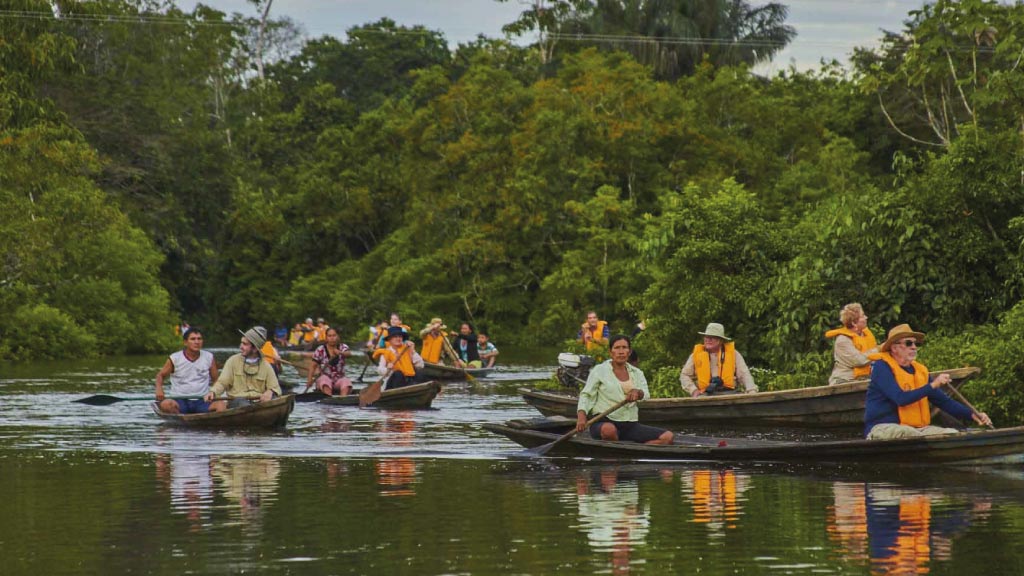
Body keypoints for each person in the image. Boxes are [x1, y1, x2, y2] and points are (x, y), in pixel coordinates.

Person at [863, 324, 991, 439]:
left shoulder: (920, 371)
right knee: (910, 434)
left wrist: (972, 414)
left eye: (915, 344)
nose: (914, 347)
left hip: (916, 429)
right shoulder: (882, 367)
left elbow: (943, 401)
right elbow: (900, 398)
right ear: (894, 348)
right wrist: (933, 384)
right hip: (882, 428)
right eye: (909, 343)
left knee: (951, 433)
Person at [575, 335, 673, 445]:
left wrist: (638, 392)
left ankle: (635, 452)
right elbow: (586, 395)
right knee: (609, 431)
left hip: (629, 424)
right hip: (604, 421)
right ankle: (618, 452)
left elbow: (645, 394)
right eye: (617, 348)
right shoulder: (599, 370)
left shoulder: (637, 373)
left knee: (667, 437)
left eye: (624, 347)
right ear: (610, 352)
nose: (621, 352)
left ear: (629, 352)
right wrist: (582, 416)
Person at [205, 326, 283, 408]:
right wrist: (213, 392)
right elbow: (222, 383)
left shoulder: (266, 366)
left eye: (245, 344)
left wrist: (270, 392)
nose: (240, 347)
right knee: (242, 403)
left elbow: (276, 388)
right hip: (236, 403)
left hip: (259, 404)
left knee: (274, 400)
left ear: (255, 349)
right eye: (241, 343)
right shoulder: (232, 361)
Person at [154, 327, 225, 414]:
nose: (197, 342)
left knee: (221, 405)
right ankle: (180, 421)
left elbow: (216, 380)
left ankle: (213, 424)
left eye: (199, 339)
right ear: (185, 342)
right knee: (166, 404)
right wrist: (159, 389)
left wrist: (214, 394)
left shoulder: (209, 357)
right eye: (193, 339)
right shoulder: (175, 358)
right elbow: (160, 375)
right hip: (180, 400)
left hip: (202, 400)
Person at [679, 323, 758, 397]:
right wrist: (693, 390)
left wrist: (751, 391)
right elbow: (684, 375)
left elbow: (744, 374)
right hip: (706, 394)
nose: (708, 339)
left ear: (720, 340)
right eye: (706, 337)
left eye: (712, 337)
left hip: (730, 393)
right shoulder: (696, 355)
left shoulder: (733, 354)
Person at [825, 303, 879, 385]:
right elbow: (859, 360)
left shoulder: (865, 335)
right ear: (854, 322)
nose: (866, 317)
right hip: (844, 381)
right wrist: (879, 350)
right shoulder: (842, 340)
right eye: (863, 316)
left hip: (864, 379)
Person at [306, 327, 353, 396]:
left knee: (346, 382)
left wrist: (340, 353)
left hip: (339, 379)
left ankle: (343, 399)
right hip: (325, 379)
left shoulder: (343, 347)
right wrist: (309, 380)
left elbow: (349, 354)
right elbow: (313, 366)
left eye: (334, 335)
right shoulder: (320, 349)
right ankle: (328, 399)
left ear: (338, 337)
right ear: (326, 338)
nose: (332, 338)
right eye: (329, 336)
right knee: (324, 380)